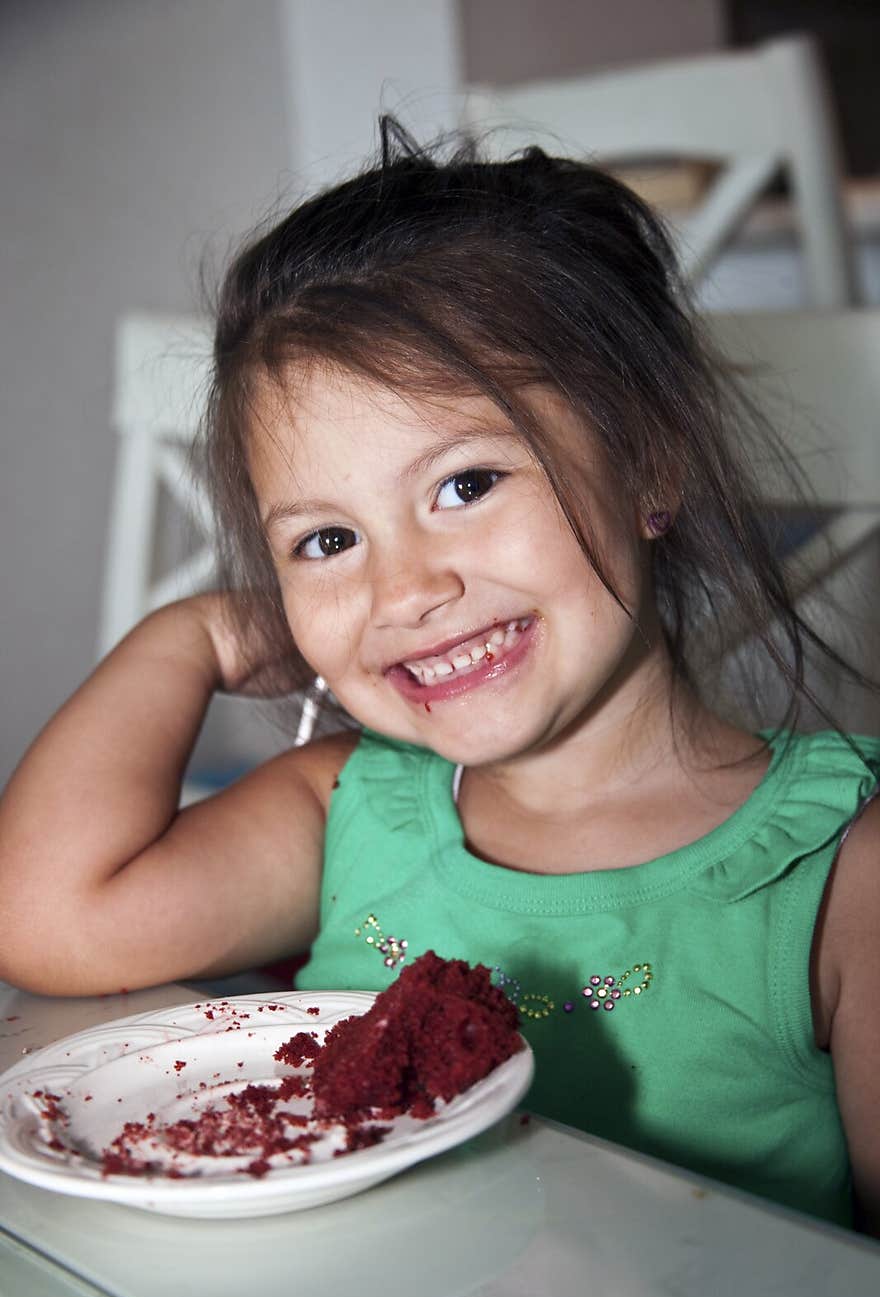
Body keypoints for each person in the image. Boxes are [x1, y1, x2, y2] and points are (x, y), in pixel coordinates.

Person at [1, 122, 878, 1235]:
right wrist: (193, 636)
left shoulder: (842, 874)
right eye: (326, 542)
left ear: (650, 462)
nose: (403, 588)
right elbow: (46, 916)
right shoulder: (348, 809)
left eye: (465, 483)